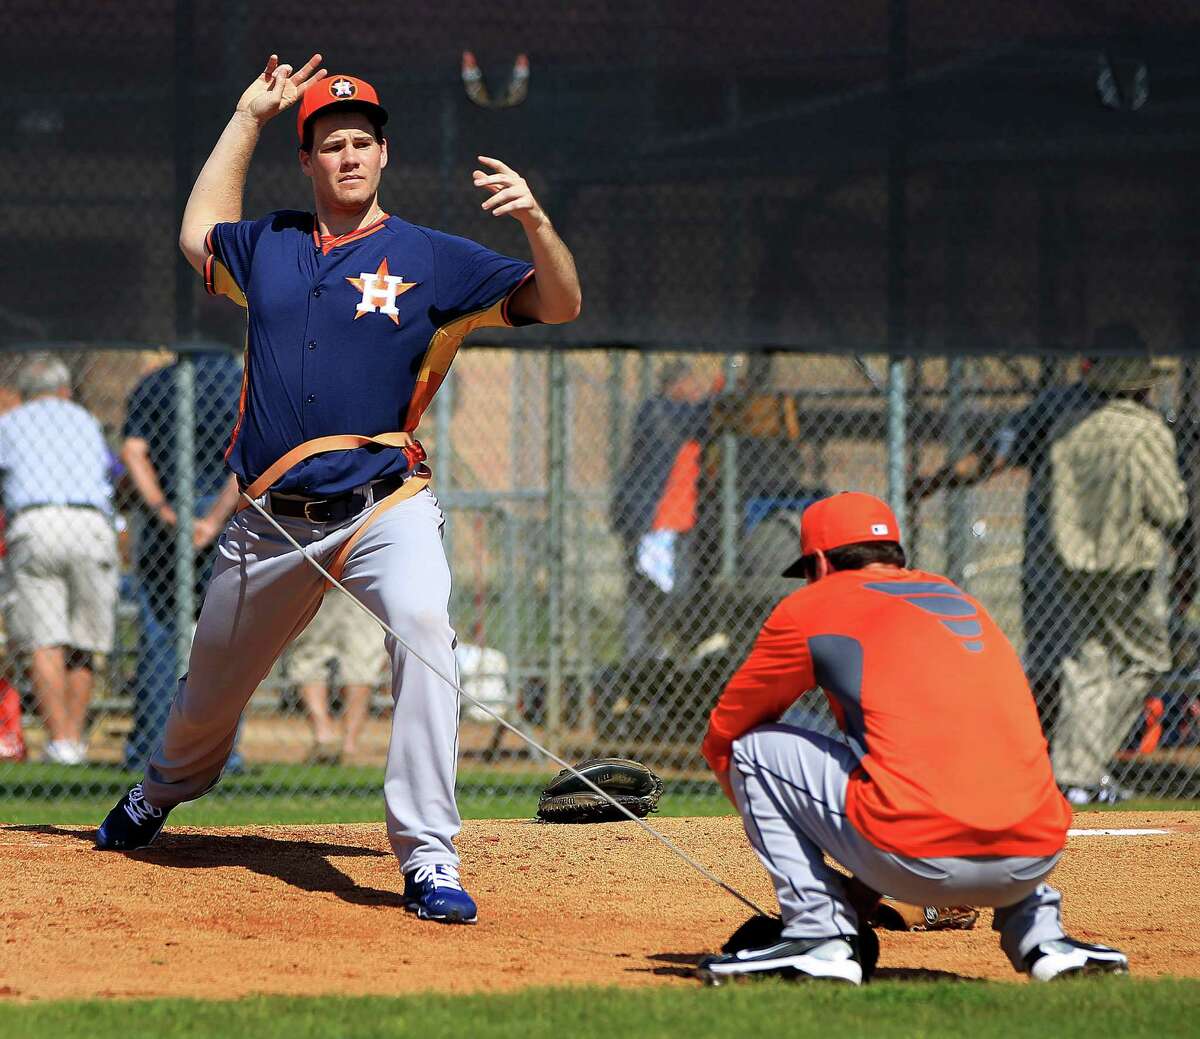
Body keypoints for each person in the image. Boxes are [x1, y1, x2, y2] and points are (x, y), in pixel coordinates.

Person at [95, 54, 580, 927]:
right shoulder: (270, 243)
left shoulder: (431, 255)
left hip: (383, 505)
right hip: (270, 524)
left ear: (384, 154)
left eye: (362, 140)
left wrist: (539, 223)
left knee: (426, 627)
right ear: (309, 161)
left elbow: (561, 303)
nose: (349, 154)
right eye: (330, 143)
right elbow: (195, 231)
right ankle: (159, 790)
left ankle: (429, 855)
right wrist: (246, 117)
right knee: (207, 696)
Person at [697, 491, 1129, 984]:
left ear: (818, 562)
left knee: (751, 750)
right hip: (1035, 854)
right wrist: (866, 887)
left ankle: (819, 936)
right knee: (980, 749)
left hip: (912, 855)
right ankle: (1044, 940)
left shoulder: (811, 606)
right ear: (896, 557)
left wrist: (839, 876)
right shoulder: (957, 600)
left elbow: (725, 736)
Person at [910, 357, 1099, 733]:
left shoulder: (1080, 407)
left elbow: (990, 457)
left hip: (1064, 557)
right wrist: (934, 481)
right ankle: (1054, 754)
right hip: (1081, 559)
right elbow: (993, 454)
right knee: (1068, 659)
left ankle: (1059, 757)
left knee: (1065, 658)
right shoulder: (1062, 407)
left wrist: (933, 482)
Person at [1048, 353, 1187, 805]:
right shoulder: (1146, 431)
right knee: (1147, 661)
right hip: (1129, 567)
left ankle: (1072, 775)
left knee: (1085, 663)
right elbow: (1170, 509)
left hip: (1073, 563)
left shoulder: (1070, 425)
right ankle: (1084, 769)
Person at [120, 348, 243, 771]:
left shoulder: (155, 383)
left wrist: (164, 511)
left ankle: (150, 750)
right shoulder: (243, 381)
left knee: (160, 633)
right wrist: (211, 520)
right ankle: (221, 756)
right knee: (228, 638)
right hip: (224, 514)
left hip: (167, 516)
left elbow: (134, 452)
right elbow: (249, 461)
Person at [0, 355, 118, 765]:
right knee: (85, 639)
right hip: (90, 524)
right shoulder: (85, 422)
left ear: (24, 394)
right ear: (65, 390)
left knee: (44, 637)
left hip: (35, 523)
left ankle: (61, 743)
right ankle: (75, 743)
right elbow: (111, 474)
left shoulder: (10, 423)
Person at [610, 361, 711, 658]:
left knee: (676, 592)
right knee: (647, 593)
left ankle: (659, 653)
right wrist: (724, 382)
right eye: (690, 384)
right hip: (653, 521)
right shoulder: (657, 410)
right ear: (676, 385)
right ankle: (638, 657)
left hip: (681, 523)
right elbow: (700, 416)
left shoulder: (682, 418)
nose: (694, 391)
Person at [286, 589, 388, 763]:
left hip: (322, 574)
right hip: (360, 575)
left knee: (311, 655)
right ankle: (349, 744)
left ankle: (324, 735)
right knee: (362, 657)